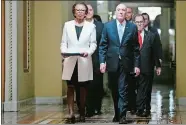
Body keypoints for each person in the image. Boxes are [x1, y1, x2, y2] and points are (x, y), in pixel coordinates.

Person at [99, 3, 140, 124]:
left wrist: (137, 65)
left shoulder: (132, 27)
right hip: (112, 62)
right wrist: (102, 62)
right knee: (114, 89)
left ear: (126, 12)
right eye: (119, 10)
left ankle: (122, 116)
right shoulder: (108, 26)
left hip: (126, 63)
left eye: (123, 10)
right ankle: (117, 113)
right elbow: (103, 45)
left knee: (123, 89)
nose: (121, 12)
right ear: (115, 12)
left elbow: (135, 48)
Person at [60, 2, 97, 123]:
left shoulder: (91, 26)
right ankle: (70, 113)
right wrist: (63, 52)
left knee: (82, 88)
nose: (80, 12)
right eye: (78, 10)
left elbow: (93, 44)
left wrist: (89, 52)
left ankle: (82, 112)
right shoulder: (67, 25)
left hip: (84, 60)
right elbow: (63, 42)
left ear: (86, 13)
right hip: (70, 60)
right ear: (74, 12)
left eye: (82, 10)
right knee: (70, 86)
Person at [133, 14, 161, 117]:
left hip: (147, 67)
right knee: (137, 89)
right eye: (137, 22)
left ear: (144, 23)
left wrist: (158, 66)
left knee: (146, 89)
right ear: (134, 23)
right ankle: (139, 108)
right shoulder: (130, 35)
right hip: (133, 67)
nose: (139, 24)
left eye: (141, 22)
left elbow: (155, 52)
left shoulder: (151, 36)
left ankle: (144, 109)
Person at [85, 4, 104, 117]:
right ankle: (88, 109)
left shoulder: (101, 26)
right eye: (86, 10)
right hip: (83, 60)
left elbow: (103, 44)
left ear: (93, 12)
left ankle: (97, 107)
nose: (88, 11)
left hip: (97, 60)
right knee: (85, 85)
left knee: (97, 85)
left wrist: (103, 61)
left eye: (90, 10)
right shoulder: (78, 25)